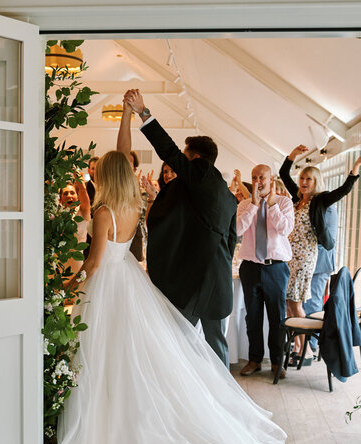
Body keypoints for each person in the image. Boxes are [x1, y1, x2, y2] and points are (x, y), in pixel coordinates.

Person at [46, 149, 345, 444]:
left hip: (107, 288)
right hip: (130, 286)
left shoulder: (103, 213)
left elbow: (95, 262)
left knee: (103, 359)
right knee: (130, 360)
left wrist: (65, 287)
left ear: (105, 176)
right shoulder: (133, 208)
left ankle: (108, 435)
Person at [119, 89, 237, 368]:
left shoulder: (201, 173)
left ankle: (188, 397)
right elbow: (229, 240)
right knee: (216, 343)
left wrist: (143, 112)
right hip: (217, 282)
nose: (179, 164)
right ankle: (220, 399)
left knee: (178, 340)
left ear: (194, 158)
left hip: (194, 282)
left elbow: (169, 150)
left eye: (185, 158)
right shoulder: (225, 194)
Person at [279, 145, 361, 364]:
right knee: (289, 301)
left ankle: (305, 350)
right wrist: (292, 155)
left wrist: (355, 167)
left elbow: (343, 190)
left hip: (306, 257)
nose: (304, 182)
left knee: (296, 303)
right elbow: (283, 174)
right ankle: (298, 347)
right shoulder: (297, 200)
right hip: (290, 257)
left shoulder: (320, 200)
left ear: (316, 183)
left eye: (310, 179)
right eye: (303, 178)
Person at [237, 164, 294, 379]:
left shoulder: (284, 203)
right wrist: (253, 204)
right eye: (254, 177)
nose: (258, 181)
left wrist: (271, 206)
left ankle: (278, 362)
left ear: (271, 180)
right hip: (250, 267)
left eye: (262, 177)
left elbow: (285, 229)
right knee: (252, 316)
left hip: (276, 268)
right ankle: (255, 359)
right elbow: (238, 229)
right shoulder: (244, 204)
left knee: (277, 317)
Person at [303, 205, 337, 356]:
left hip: (321, 262)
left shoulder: (327, 208)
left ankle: (311, 346)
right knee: (305, 303)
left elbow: (323, 237)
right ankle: (304, 342)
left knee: (313, 303)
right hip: (310, 262)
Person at [59, 174, 90, 277]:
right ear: (60, 199)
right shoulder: (57, 216)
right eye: (65, 193)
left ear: (77, 196)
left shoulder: (83, 212)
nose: (69, 195)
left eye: (72, 193)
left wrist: (74, 170)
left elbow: (83, 190)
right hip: (58, 263)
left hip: (77, 263)